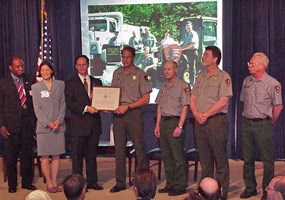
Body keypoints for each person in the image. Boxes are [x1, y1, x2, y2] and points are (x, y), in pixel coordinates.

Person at [189, 46, 232, 200]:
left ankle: (220, 193)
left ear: (215, 59)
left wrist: (205, 114)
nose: (203, 57)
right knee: (205, 159)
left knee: (219, 159)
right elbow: (192, 98)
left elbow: (223, 101)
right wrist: (196, 114)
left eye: (206, 55)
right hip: (199, 122)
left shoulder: (223, 77)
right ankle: (205, 191)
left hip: (216, 122)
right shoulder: (200, 77)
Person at [240, 52, 283, 199]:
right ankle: (250, 187)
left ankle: (267, 190)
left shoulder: (273, 84)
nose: (249, 66)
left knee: (267, 160)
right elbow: (243, 102)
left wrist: (269, 122)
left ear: (262, 66)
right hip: (247, 123)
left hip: (263, 124)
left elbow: (278, 107)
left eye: (252, 63)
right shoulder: (247, 81)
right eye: (249, 63)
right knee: (247, 158)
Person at [110, 46, 152, 193]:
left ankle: (143, 182)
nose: (125, 59)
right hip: (118, 115)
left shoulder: (141, 74)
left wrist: (128, 107)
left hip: (133, 113)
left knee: (139, 148)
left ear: (133, 57)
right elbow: (111, 95)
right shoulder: (117, 73)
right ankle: (120, 182)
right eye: (123, 56)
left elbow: (146, 98)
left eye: (128, 57)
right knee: (119, 150)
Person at [65, 55, 103, 191]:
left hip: (93, 126)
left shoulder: (97, 81)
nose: (82, 67)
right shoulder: (70, 83)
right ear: (76, 66)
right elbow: (70, 104)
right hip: (78, 126)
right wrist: (87, 108)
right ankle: (78, 185)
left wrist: (103, 107)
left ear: (88, 65)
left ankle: (92, 182)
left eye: (84, 64)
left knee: (92, 156)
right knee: (77, 158)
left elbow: (103, 101)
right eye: (79, 65)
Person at [0, 55, 36, 193]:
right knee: (11, 157)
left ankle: (27, 182)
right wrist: (2, 125)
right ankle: (12, 185)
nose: (21, 68)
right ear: (10, 67)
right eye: (17, 67)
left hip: (27, 125)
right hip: (10, 126)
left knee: (28, 156)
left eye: (22, 66)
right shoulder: (3, 83)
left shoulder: (30, 79)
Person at [154, 60, 190, 196]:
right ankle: (170, 183)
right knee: (167, 156)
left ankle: (181, 185)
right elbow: (159, 107)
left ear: (176, 70)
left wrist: (180, 126)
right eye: (164, 69)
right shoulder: (163, 86)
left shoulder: (183, 85)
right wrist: (157, 124)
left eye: (169, 69)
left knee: (177, 156)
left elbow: (185, 107)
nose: (166, 72)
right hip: (164, 123)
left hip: (175, 123)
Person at [31, 61, 66, 193]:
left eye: (47, 70)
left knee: (56, 155)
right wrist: (48, 123)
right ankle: (49, 183)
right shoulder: (36, 87)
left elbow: (63, 104)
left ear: (52, 71)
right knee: (44, 156)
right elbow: (37, 108)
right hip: (43, 128)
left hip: (58, 126)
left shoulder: (60, 85)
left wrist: (59, 120)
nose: (45, 72)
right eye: (42, 70)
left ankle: (54, 181)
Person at [180, 21, 199, 88]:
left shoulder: (194, 34)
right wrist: (178, 46)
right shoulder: (186, 34)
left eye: (189, 26)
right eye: (187, 26)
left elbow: (192, 44)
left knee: (192, 68)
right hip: (186, 51)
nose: (188, 27)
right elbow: (183, 43)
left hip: (192, 51)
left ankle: (192, 84)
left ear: (191, 26)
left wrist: (183, 48)